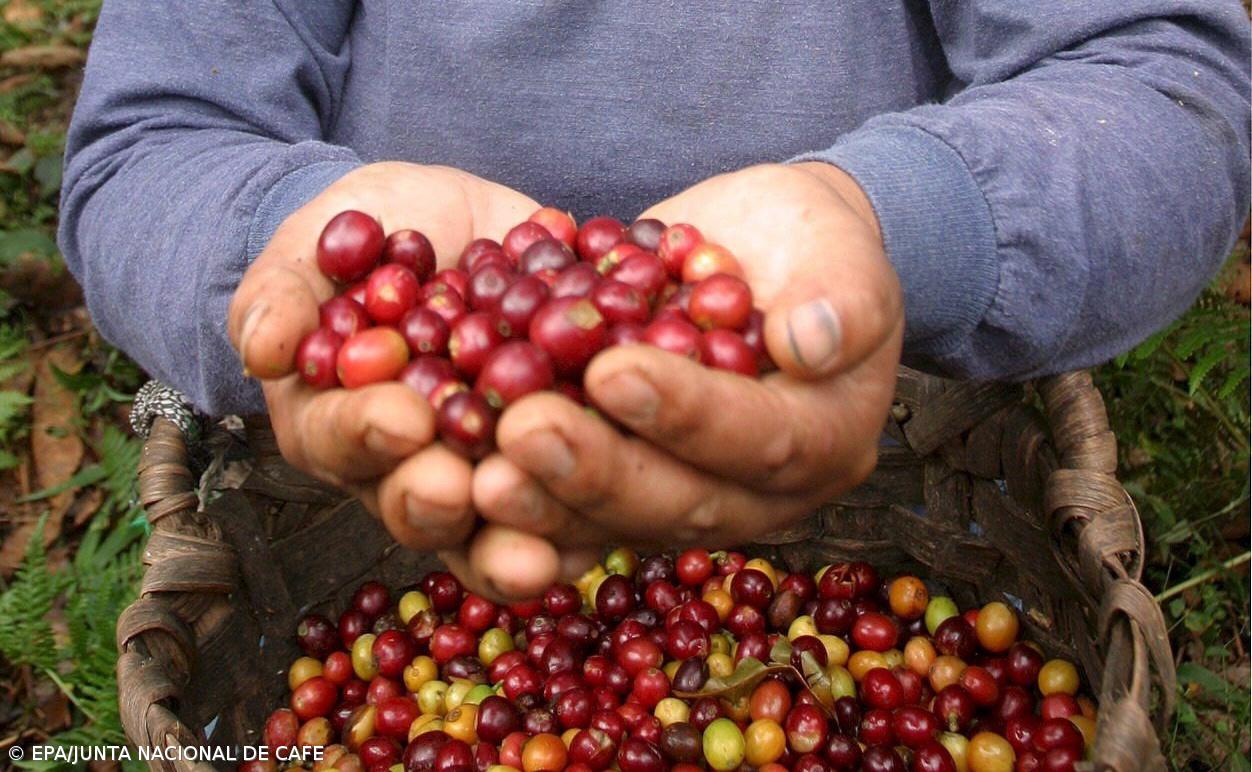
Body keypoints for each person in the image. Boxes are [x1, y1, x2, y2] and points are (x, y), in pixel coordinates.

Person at [60, 2, 1250, 599]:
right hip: (375, 512)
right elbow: (151, 145)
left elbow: (1155, 78)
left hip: (894, 473)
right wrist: (292, 248)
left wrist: (888, 222)